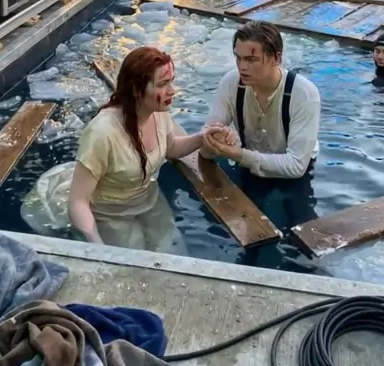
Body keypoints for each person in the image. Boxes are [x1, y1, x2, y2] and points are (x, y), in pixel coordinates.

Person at [68, 46, 226, 250]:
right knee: (134, 257)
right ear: (136, 90)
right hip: (110, 212)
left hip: (147, 199)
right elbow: (78, 202)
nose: (172, 90)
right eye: (163, 84)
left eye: (171, 81)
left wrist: (203, 138)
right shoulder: (102, 133)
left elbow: (171, 148)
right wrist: (97, 245)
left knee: (173, 251)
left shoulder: (158, 112)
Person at [202, 21, 321, 179]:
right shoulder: (231, 83)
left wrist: (237, 154)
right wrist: (215, 140)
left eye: (251, 60)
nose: (242, 67)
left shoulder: (304, 94)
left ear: (276, 58)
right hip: (248, 161)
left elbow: (296, 166)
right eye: (238, 58)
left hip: (294, 173)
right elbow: (204, 144)